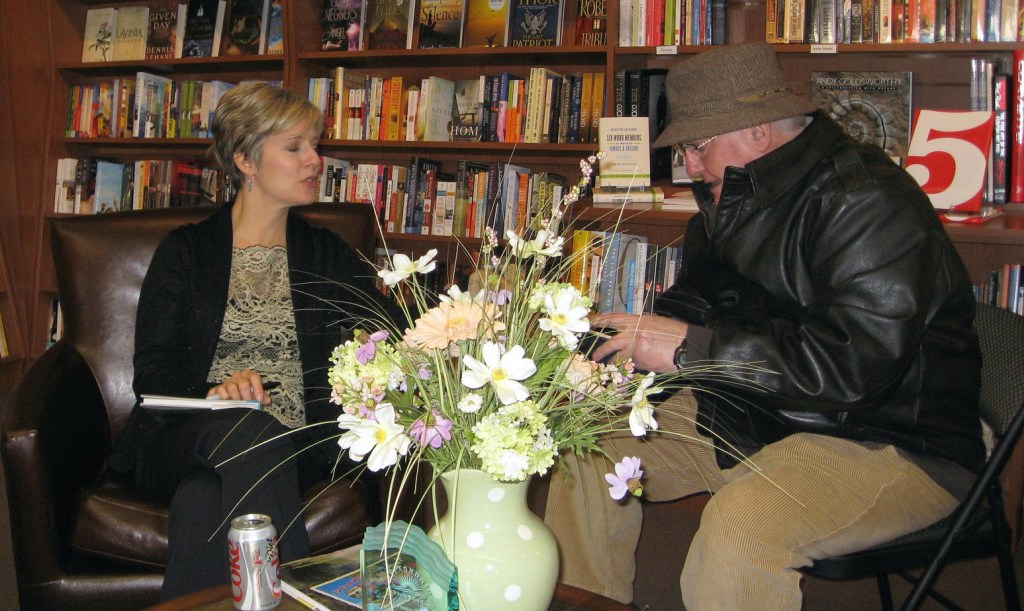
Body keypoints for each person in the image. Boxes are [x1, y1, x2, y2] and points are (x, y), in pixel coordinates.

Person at [544, 42, 985, 610]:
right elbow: (699, 302)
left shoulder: (869, 201)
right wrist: (601, 346)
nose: (690, 166)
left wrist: (689, 349)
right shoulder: (738, 191)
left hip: (888, 439)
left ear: (757, 132)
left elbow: (853, 368)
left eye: (697, 146)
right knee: (586, 448)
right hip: (763, 412)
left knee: (741, 528)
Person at [107, 82, 404, 600]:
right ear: (245, 161)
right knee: (246, 429)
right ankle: (300, 599)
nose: (315, 160)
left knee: (203, 499)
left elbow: (392, 330)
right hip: (185, 437)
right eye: (294, 147)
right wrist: (216, 392)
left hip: (294, 444)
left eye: (314, 145)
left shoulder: (325, 254)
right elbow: (152, 376)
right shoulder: (185, 252)